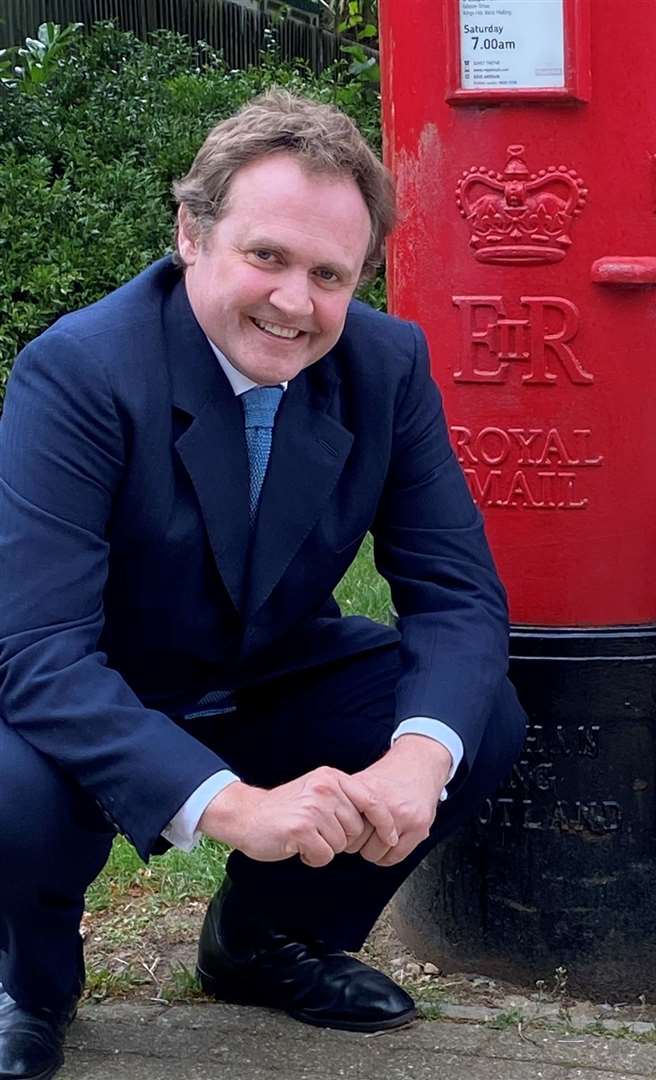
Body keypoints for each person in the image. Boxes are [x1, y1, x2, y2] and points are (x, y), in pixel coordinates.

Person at [0, 90, 527, 1080]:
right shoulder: (77, 372)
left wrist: (418, 759)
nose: (295, 302)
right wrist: (232, 806)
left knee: (472, 719)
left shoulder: (387, 363)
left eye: (330, 274)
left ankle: (261, 940)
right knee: (12, 794)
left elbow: (453, 594)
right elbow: (37, 656)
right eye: (268, 257)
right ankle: (29, 978)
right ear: (190, 233)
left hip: (263, 667)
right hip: (91, 688)